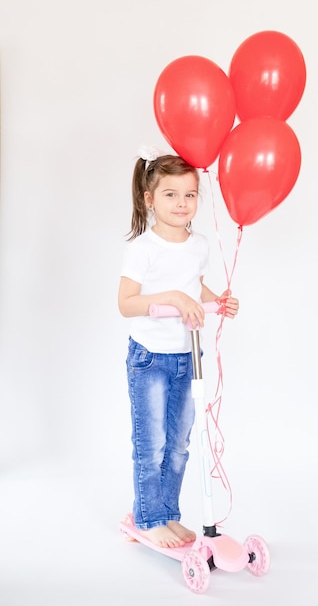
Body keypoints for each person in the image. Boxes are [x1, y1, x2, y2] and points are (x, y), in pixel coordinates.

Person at [118, 151, 239, 549]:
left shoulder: (198, 244)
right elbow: (126, 303)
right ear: (150, 199)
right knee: (151, 446)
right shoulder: (143, 248)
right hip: (150, 358)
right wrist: (170, 296)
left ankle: (167, 513)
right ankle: (148, 518)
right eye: (171, 195)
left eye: (190, 195)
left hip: (189, 357)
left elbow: (194, 287)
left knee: (180, 445)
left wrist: (217, 300)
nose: (182, 204)